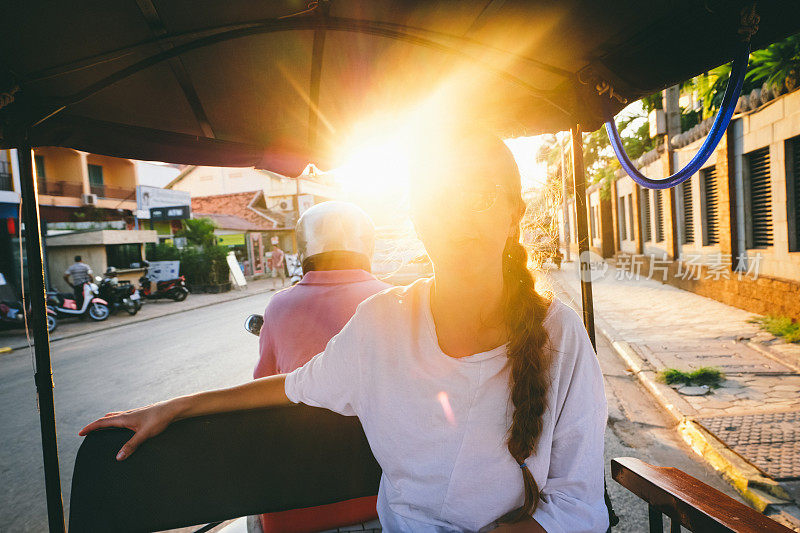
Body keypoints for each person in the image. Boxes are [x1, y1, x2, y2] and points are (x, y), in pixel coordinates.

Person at [81, 126, 608, 532]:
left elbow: (578, 501)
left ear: (515, 212)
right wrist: (176, 406)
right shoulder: (381, 323)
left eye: (481, 197)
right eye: (438, 198)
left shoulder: (559, 335)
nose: (457, 217)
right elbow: (295, 385)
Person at [254, 201, 391, 532]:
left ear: (303, 249)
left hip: (296, 509)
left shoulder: (279, 306)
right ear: (367, 245)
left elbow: (262, 392)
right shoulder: (393, 300)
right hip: (381, 499)